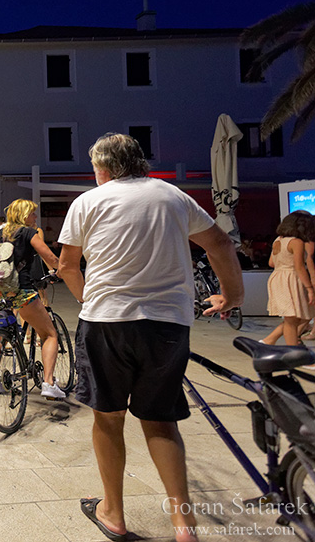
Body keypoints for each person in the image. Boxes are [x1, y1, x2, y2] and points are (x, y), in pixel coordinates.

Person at [56, 133, 243, 542]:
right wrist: (233, 295)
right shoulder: (174, 197)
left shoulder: (87, 202)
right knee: (161, 422)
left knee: (108, 419)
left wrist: (91, 299)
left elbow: (68, 265)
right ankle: (183, 524)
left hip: (106, 323)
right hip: (167, 325)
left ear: (102, 169)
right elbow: (220, 243)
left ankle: (114, 513)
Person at [0, 199, 64, 398]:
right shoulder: (29, 233)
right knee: (49, 334)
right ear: (25, 215)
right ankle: (49, 383)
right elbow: (49, 257)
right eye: (33, 213)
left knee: (0, 334)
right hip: (21, 291)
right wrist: (59, 271)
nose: (35, 217)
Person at [261, 211, 315, 346]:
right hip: (291, 279)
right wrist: (309, 288)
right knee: (295, 318)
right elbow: (299, 267)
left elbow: (271, 263)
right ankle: (293, 350)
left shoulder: (277, 240)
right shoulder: (296, 242)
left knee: (292, 317)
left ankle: (271, 341)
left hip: (277, 277)